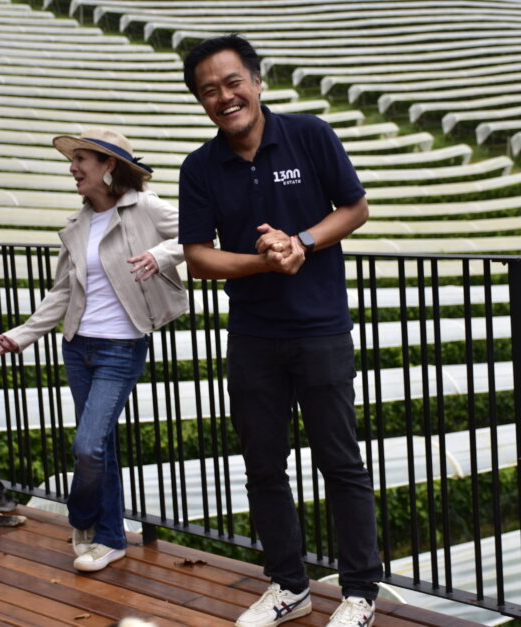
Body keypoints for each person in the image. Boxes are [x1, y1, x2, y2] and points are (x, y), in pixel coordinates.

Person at [178, 34, 381, 627]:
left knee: (339, 461)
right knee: (263, 464)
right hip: (254, 336)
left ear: (257, 82)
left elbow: (356, 208)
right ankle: (289, 585)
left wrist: (302, 243)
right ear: (202, 102)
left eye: (232, 82)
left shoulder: (311, 135)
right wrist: (264, 261)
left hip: (320, 329)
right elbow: (197, 257)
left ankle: (360, 591)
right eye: (208, 90)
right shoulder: (201, 167)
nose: (223, 97)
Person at [0, 128, 187, 573]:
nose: (72, 168)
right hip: (77, 347)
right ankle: (112, 538)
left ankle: (83, 519)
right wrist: (21, 335)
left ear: (108, 165)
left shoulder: (146, 207)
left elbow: (199, 233)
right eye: (72, 159)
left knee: (88, 445)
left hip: (121, 347)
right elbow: (62, 292)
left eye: (81, 159)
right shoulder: (79, 224)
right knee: (102, 446)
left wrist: (161, 255)